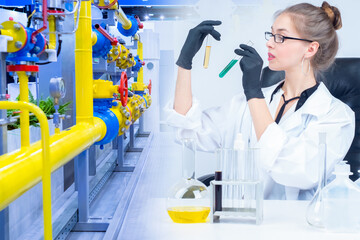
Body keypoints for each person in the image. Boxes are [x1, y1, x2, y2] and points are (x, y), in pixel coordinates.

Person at [165, 2, 355, 200]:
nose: (269, 43)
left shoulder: (336, 116)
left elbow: (300, 171)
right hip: (236, 221)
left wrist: (254, 93)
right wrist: (184, 63)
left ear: (310, 49)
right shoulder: (244, 103)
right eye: (271, 34)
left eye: (280, 37)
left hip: (293, 226)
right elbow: (189, 130)